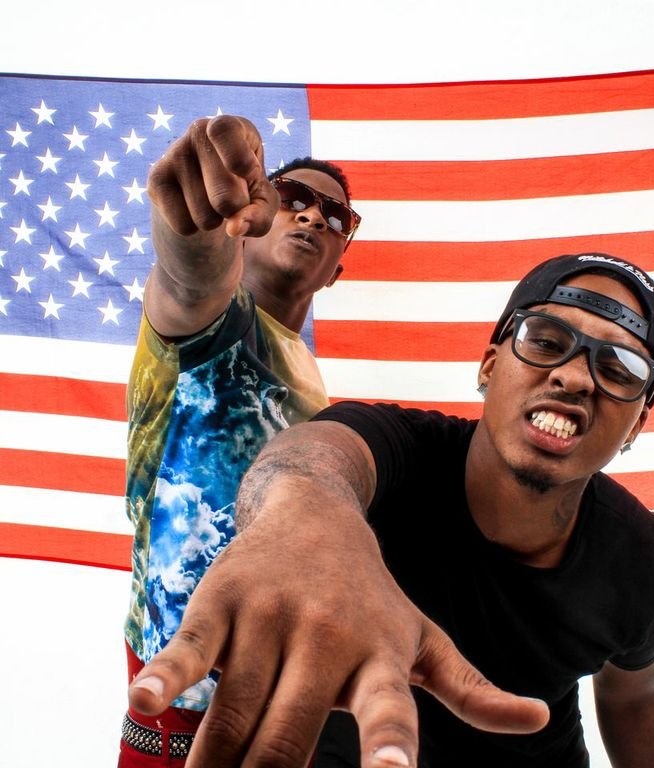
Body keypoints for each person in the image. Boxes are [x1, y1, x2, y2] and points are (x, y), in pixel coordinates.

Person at [128, 252, 654, 768]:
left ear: (636, 425)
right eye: (545, 341)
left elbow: (633, 696)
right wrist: (306, 521)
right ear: (489, 366)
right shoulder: (398, 447)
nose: (574, 377)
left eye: (620, 371)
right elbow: (311, 461)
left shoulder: (648, 567)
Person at [119, 114, 361, 766]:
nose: (312, 217)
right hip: (178, 713)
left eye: (336, 217)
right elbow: (188, 278)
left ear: (336, 271)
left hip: (288, 715)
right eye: (293, 198)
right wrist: (197, 225)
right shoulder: (211, 322)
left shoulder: (315, 388)